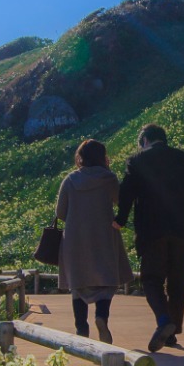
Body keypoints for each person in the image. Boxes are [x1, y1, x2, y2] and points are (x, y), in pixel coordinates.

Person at [115, 123, 184, 353]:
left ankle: (164, 321)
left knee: (151, 279)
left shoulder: (137, 161)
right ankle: (171, 332)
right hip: (182, 230)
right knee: (177, 281)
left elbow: (126, 195)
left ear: (144, 140)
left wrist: (120, 221)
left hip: (152, 231)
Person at [55, 138, 133, 343]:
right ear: (102, 157)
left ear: (80, 158)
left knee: (78, 284)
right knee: (107, 281)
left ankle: (81, 328)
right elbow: (120, 201)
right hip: (104, 235)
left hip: (75, 239)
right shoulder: (108, 178)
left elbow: (60, 212)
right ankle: (101, 317)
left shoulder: (70, 180)